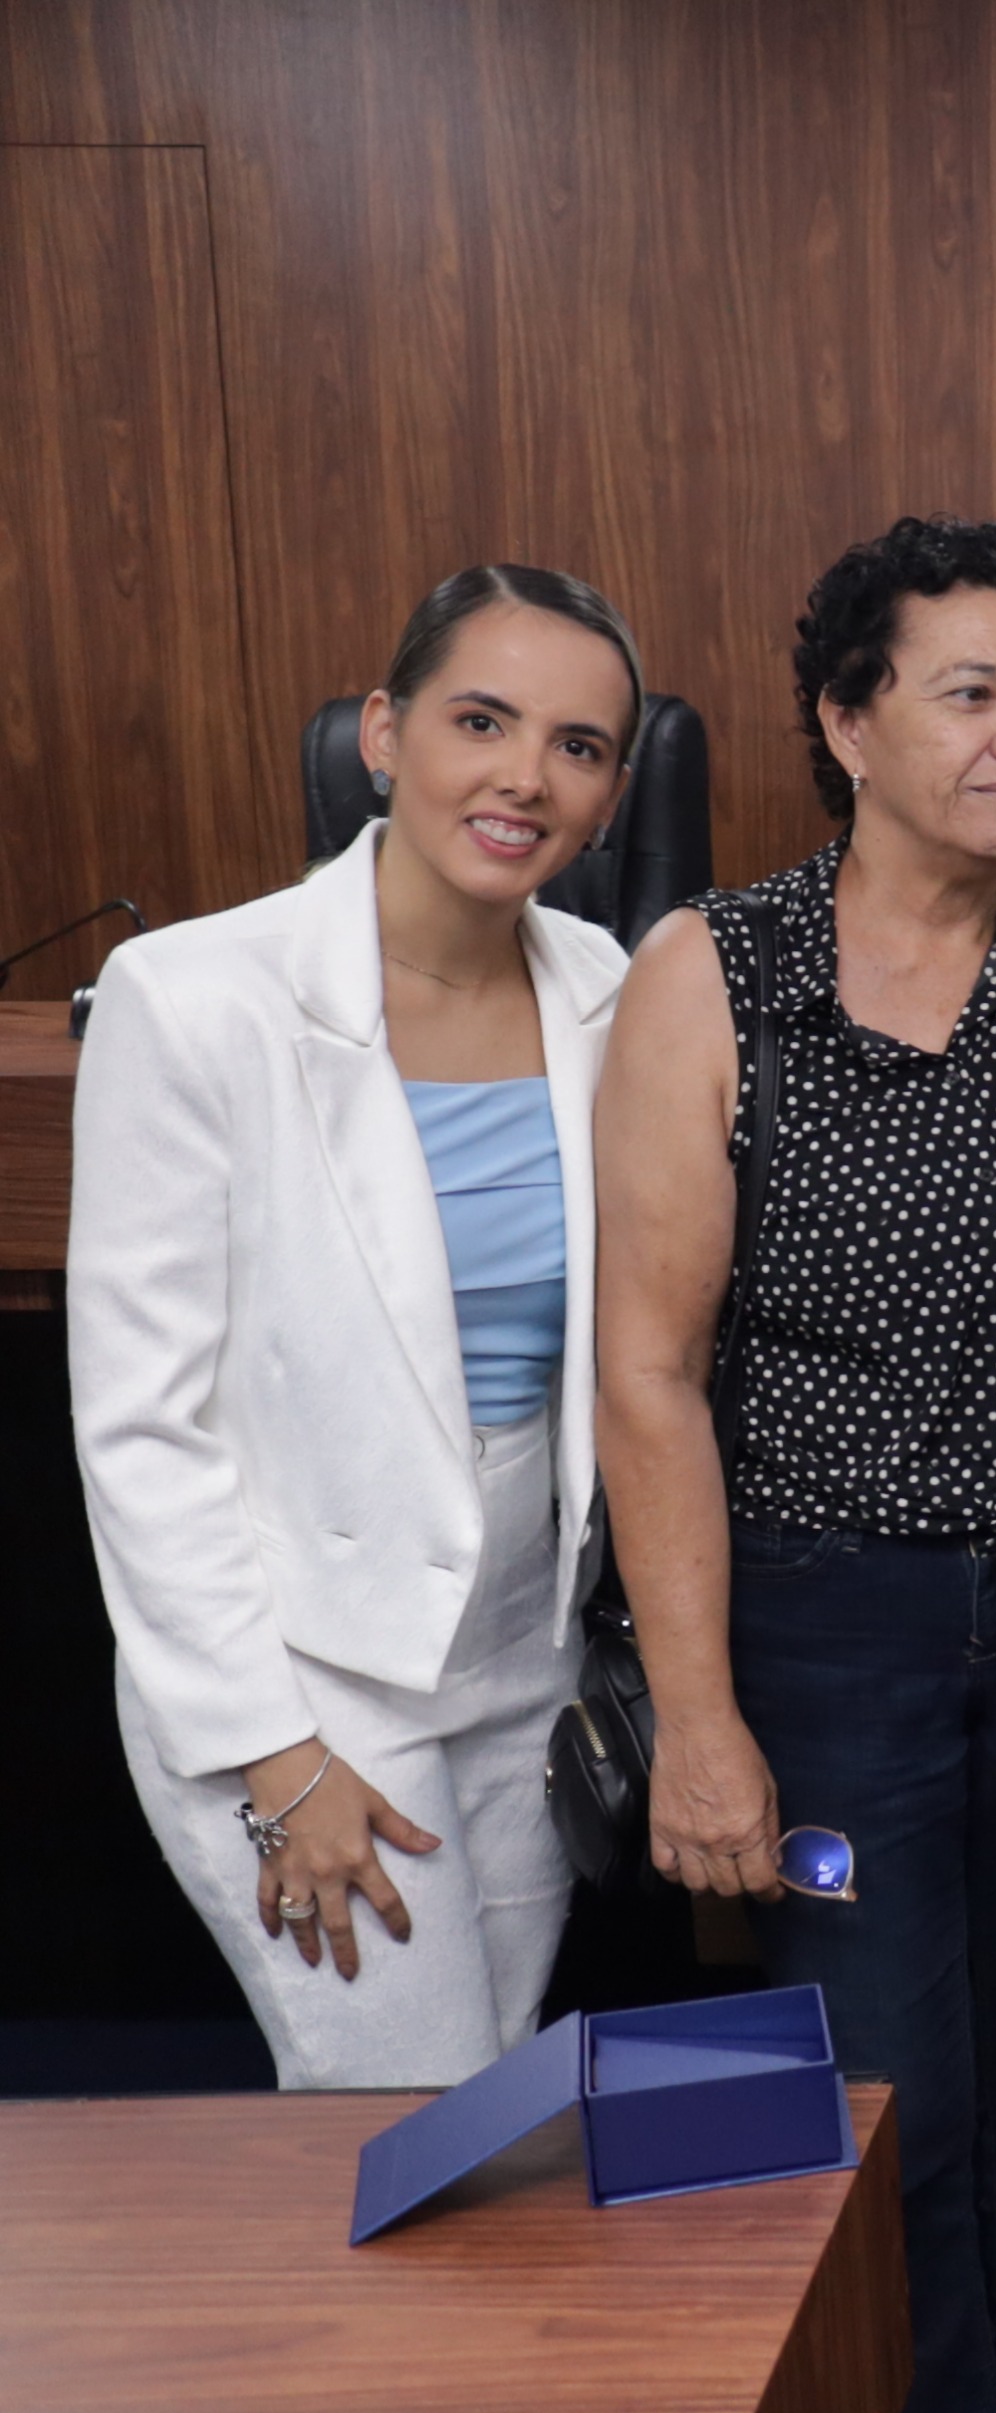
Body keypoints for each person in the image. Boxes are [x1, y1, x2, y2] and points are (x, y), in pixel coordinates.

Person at [596, 517, 996, 2413]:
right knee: (880, 2077)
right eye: (973, 693)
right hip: (833, 1619)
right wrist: (698, 1720)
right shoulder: (714, 973)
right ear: (848, 724)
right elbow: (648, 1374)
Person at [73, 565, 638, 2089]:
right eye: (482, 720)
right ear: (385, 733)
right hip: (302, 1665)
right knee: (406, 2105)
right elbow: (139, 1425)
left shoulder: (609, 989)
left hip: (521, 1651)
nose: (526, 776)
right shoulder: (192, 997)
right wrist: (270, 1753)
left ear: (611, 794)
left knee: (483, 2108)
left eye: (579, 746)